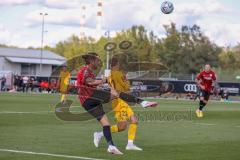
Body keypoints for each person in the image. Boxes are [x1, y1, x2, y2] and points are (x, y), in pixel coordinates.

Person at [77, 52, 157, 155]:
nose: (99, 62)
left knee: (106, 123)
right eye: (97, 60)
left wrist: (101, 84)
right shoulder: (85, 71)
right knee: (116, 93)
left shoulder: (91, 72)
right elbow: (90, 82)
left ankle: (111, 146)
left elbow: (91, 84)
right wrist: (102, 80)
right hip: (89, 98)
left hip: (91, 101)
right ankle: (142, 102)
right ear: (91, 61)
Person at [93, 57, 143, 151]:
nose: (120, 65)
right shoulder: (118, 74)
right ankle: (129, 144)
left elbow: (101, 84)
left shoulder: (109, 74)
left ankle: (101, 134)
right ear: (116, 65)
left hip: (117, 101)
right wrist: (127, 80)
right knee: (129, 123)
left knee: (127, 124)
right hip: (120, 101)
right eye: (118, 64)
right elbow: (126, 87)